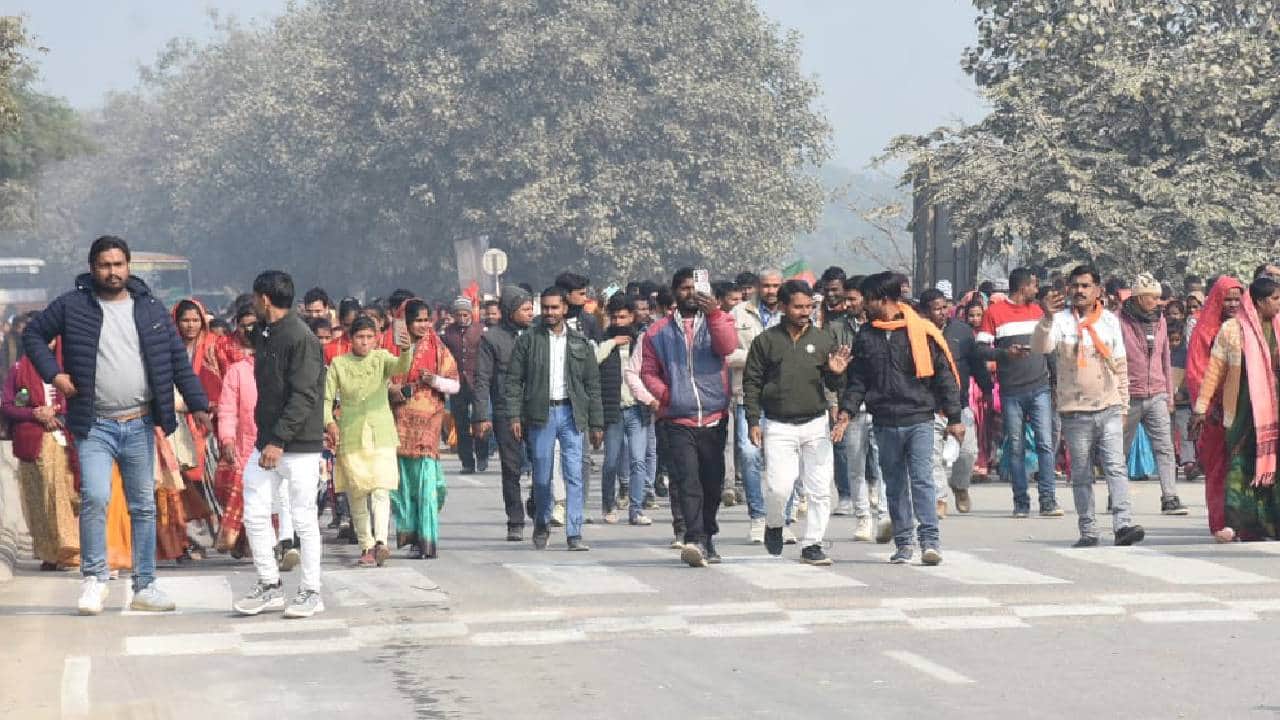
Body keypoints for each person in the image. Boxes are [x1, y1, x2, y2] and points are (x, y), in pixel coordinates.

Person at [22, 235, 212, 615]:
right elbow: (33, 335)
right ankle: (94, 580)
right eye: (105, 265)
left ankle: (145, 585)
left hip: (140, 424)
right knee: (95, 497)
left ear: (128, 267)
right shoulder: (72, 306)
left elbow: (176, 361)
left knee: (143, 507)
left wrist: (198, 405)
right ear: (93, 268)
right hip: (94, 425)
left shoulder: (151, 309)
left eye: (119, 265)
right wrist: (55, 375)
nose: (113, 272)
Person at [837, 272, 962, 567]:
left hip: (919, 418)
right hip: (884, 421)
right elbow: (858, 381)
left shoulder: (922, 330)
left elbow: (943, 376)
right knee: (893, 484)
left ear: (884, 299)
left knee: (922, 480)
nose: (864, 306)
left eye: (868, 299)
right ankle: (904, 543)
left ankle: (930, 542)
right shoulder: (866, 336)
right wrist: (846, 412)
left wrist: (955, 417)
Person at [233, 270, 327, 619]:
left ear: (265, 299)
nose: (253, 304)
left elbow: (304, 396)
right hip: (266, 442)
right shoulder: (268, 334)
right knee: (255, 513)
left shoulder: (301, 338)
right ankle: (269, 585)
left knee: (303, 519)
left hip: (297, 444)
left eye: (256, 298)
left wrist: (279, 440)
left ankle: (311, 591)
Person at [1033, 265, 1144, 547]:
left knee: (1115, 467)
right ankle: (1089, 530)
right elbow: (1041, 347)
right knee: (1081, 473)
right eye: (1075, 286)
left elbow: (1120, 365)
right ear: (1068, 289)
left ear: (1097, 290)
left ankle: (1123, 525)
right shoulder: (1059, 321)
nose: (1080, 291)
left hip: (1108, 406)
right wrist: (1046, 318)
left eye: (1086, 286)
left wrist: (1123, 406)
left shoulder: (1108, 321)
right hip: (1075, 412)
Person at [744, 279, 849, 565]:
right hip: (778, 425)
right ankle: (775, 523)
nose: (805, 312)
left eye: (809, 307)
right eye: (798, 307)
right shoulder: (765, 342)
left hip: (815, 423)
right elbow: (751, 383)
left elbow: (835, 382)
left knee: (819, 489)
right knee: (780, 487)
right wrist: (753, 419)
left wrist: (836, 373)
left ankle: (812, 544)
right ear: (782, 307)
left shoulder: (824, 339)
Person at [641, 268, 737, 567]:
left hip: (713, 416)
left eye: (695, 288)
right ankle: (694, 537)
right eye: (684, 288)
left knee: (712, 483)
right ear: (674, 292)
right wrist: (669, 396)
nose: (690, 294)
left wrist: (715, 316)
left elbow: (728, 347)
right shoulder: (658, 332)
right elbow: (647, 371)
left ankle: (708, 535)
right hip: (678, 419)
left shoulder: (718, 321)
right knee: (688, 482)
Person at [505, 286, 604, 551]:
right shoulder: (528, 340)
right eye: (545, 308)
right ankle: (542, 521)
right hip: (541, 415)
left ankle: (574, 533)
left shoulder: (579, 342)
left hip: (572, 414)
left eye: (554, 308)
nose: (549, 312)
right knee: (541, 475)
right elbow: (514, 381)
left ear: (564, 308)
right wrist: (514, 415)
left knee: (574, 475)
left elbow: (592, 385)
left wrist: (596, 423)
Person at [1190, 277, 1280, 542]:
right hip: (1241, 411)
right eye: (1275, 299)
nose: (1279, 304)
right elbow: (1214, 372)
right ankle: (1234, 525)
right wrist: (1200, 409)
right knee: (1240, 468)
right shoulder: (1232, 330)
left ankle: (1269, 525)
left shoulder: (1277, 327)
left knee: (1272, 469)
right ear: (1261, 302)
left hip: (1273, 412)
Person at [324, 316, 416, 567]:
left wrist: (407, 349)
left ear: (375, 339)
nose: (364, 342)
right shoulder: (338, 364)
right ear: (350, 339)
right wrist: (329, 422)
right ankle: (365, 545)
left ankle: (381, 542)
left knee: (381, 489)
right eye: (359, 337)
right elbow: (326, 399)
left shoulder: (381, 358)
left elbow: (401, 367)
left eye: (369, 337)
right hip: (351, 434)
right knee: (357, 494)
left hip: (381, 434)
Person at [976, 267, 1062, 517]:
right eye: (1034, 285)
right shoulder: (994, 312)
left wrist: (1056, 384)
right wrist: (1004, 353)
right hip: (1011, 391)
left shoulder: (1039, 312)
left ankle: (1048, 500)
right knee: (1015, 447)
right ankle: (1021, 503)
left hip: (1040, 388)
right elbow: (980, 349)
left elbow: (1050, 350)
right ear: (1023, 287)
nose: (1037, 290)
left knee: (1046, 444)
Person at [2, 334, 80, 571]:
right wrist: (35, 413)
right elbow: (8, 405)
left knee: (62, 491)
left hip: (64, 436)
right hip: (31, 441)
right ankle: (49, 552)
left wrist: (55, 410)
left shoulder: (68, 368)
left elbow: (79, 397)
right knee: (37, 496)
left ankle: (69, 548)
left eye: (49, 340)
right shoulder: (19, 370)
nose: (45, 345)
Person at [390, 299, 460, 558]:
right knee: (402, 486)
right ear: (405, 323)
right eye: (417, 320)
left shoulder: (438, 348)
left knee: (429, 485)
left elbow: (455, 385)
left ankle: (427, 540)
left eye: (426, 320)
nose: (423, 325)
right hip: (398, 426)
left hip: (429, 426)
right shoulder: (393, 347)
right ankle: (411, 537)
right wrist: (395, 390)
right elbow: (381, 381)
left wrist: (434, 380)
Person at [1119, 274, 1187, 515]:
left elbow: (1165, 359)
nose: (1158, 303)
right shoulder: (1120, 321)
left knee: (1165, 447)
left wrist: (1168, 395)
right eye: (1153, 297)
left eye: (1160, 298)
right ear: (1139, 297)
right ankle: (1116, 495)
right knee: (1120, 449)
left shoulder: (1161, 321)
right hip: (1128, 394)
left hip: (1157, 393)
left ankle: (1170, 497)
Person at [472, 286, 536, 541]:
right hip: (504, 412)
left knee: (542, 462)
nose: (531, 313)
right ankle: (515, 520)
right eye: (525, 309)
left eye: (532, 308)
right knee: (511, 468)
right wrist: (480, 415)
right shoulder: (492, 339)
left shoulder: (537, 335)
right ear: (511, 310)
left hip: (535, 409)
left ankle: (537, 502)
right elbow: (482, 379)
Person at [922, 288, 993, 516]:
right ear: (925, 311)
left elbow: (976, 364)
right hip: (929, 406)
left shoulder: (961, 332)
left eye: (945, 307)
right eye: (936, 308)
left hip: (960, 406)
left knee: (967, 453)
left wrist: (987, 388)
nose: (942, 312)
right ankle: (939, 500)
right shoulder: (918, 333)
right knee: (933, 457)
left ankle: (960, 486)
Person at [727, 269, 783, 544]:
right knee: (749, 456)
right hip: (747, 396)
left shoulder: (791, 312)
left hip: (784, 398)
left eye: (775, 286)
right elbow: (725, 352)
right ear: (757, 288)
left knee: (781, 461)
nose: (771, 290)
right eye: (766, 286)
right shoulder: (738, 313)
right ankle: (757, 517)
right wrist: (758, 356)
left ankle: (781, 518)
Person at [1186, 276, 1245, 536]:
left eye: (1237, 298)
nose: (1233, 304)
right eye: (1227, 299)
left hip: (1242, 408)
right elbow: (1198, 372)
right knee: (1218, 468)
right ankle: (1220, 522)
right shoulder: (1205, 331)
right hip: (1215, 412)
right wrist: (1207, 407)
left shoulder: (1245, 327)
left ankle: (1245, 522)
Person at [596, 293, 652, 525]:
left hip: (637, 410)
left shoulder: (642, 341)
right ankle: (609, 505)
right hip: (613, 411)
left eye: (624, 317)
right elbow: (593, 361)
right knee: (611, 461)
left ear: (632, 317)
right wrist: (612, 343)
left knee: (638, 461)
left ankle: (636, 509)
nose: (619, 322)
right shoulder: (602, 341)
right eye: (615, 317)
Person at [215, 304, 257, 556]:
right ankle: (235, 537)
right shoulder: (237, 369)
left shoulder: (280, 366)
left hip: (274, 441)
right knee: (237, 488)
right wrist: (227, 439)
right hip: (242, 441)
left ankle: (271, 543)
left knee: (267, 497)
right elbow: (228, 408)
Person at [441, 297, 489, 474]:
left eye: (465, 314)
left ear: (471, 314)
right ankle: (467, 462)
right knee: (461, 424)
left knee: (480, 420)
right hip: (457, 385)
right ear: (454, 315)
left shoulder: (481, 330)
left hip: (478, 383)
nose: (462, 317)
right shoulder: (448, 333)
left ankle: (482, 454)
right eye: (458, 314)